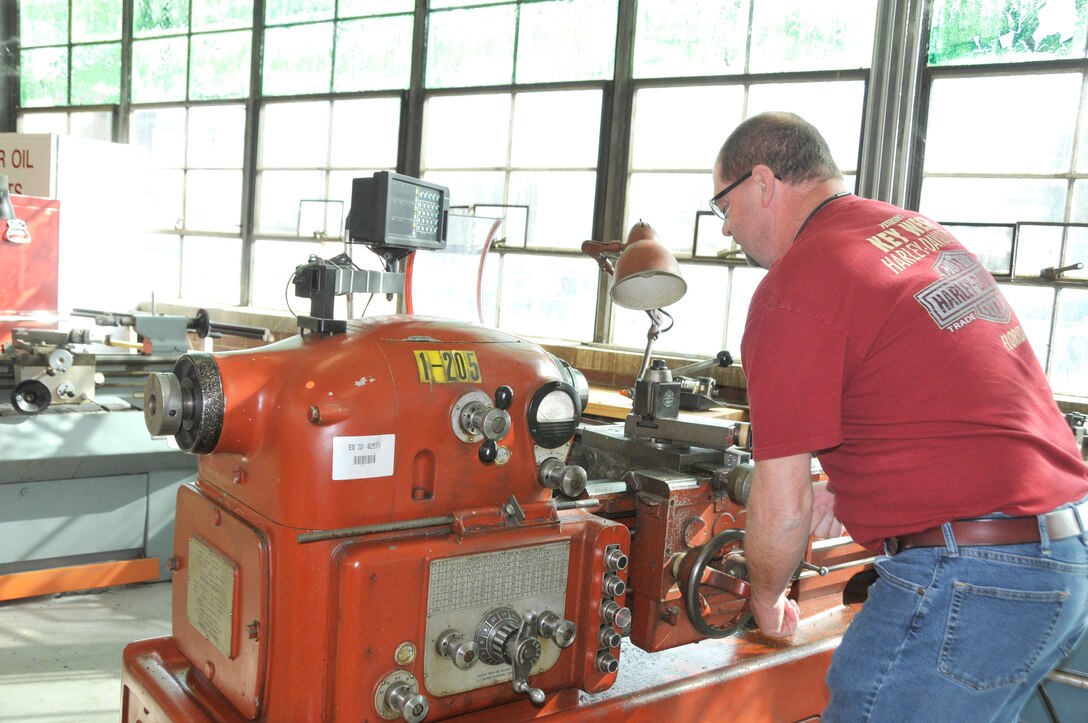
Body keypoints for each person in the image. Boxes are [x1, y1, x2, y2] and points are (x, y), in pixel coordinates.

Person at [711, 111, 1088, 721]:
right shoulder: (912, 233)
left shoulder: (795, 283)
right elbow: (944, 397)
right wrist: (851, 489)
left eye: (721, 206)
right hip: (1061, 558)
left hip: (974, 575)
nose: (726, 230)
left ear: (761, 181)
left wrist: (766, 594)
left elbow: (781, 508)